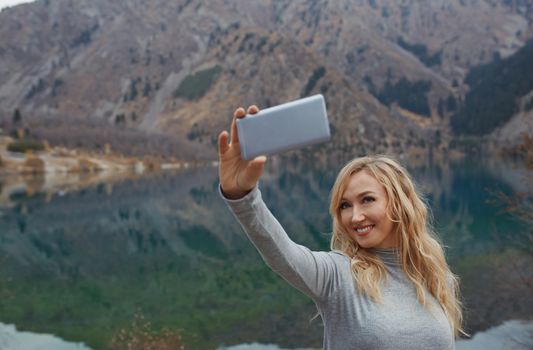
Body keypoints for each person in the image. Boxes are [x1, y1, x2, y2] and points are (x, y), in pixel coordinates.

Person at [218, 105, 463, 349]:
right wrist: (242, 196)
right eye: (345, 206)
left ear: (399, 203)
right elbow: (283, 254)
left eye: (367, 200)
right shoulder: (338, 274)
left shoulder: (435, 276)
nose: (355, 217)